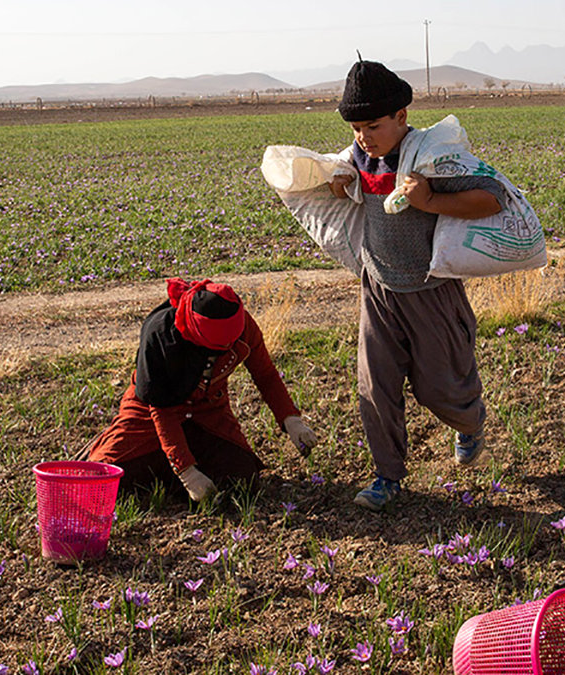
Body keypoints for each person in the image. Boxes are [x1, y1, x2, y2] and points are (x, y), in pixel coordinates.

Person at [328, 59, 504, 511]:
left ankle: (470, 422)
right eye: (355, 128)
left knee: (440, 388)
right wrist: (339, 186)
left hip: (430, 290)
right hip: (379, 289)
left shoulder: (432, 154)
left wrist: (428, 199)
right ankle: (387, 476)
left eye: (372, 125)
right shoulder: (359, 158)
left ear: (401, 117)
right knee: (375, 387)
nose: (363, 136)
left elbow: (491, 198)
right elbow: (351, 187)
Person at [83, 278, 318, 502]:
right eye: (219, 347)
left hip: (208, 411)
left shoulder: (243, 326)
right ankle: (164, 467)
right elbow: (161, 409)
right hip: (149, 417)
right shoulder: (161, 335)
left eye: (231, 343)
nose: (228, 348)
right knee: (102, 480)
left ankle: (172, 471)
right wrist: (186, 471)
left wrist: (290, 419)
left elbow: (265, 374)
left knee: (243, 481)